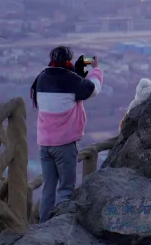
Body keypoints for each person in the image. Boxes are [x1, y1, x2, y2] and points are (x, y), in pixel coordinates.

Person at [29, 46, 104, 222]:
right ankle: (60, 227)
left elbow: (64, 89)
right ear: (68, 60)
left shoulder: (41, 78)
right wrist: (96, 69)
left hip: (45, 145)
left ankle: (44, 224)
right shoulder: (71, 80)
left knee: (48, 188)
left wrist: (77, 72)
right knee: (65, 189)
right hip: (64, 145)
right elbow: (93, 89)